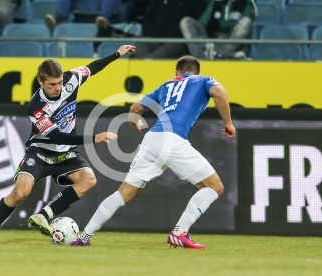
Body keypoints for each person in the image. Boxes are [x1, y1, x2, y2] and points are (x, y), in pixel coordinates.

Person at [0, 44, 136, 244]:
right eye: (52, 84)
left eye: (59, 82)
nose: (58, 88)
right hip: (40, 153)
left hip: (65, 154)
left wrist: (116, 54)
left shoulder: (72, 79)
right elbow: (57, 136)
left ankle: (44, 215)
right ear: (40, 82)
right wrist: (93, 138)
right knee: (19, 193)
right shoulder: (37, 108)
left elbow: (92, 68)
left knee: (89, 180)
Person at [71, 55, 236, 249]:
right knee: (214, 187)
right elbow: (219, 92)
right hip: (173, 140)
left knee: (123, 193)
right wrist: (228, 123)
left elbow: (134, 108)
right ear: (196, 72)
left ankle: (84, 236)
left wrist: (134, 123)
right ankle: (180, 232)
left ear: (177, 72)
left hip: (151, 140)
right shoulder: (202, 80)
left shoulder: (166, 85)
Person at [95, 0, 207, 59]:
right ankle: (143, 63)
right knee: (141, 42)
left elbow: (195, 24)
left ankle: (146, 63)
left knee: (170, 47)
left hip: (179, 41)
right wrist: (155, 34)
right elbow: (147, 21)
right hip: (156, 37)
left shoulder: (195, 1)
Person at [180, 0, 257, 60]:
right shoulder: (216, 1)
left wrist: (219, 24)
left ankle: (223, 55)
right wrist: (213, 24)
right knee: (186, 21)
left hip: (231, 41)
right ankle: (199, 58)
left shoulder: (248, 2)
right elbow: (203, 22)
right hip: (211, 39)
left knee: (246, 21)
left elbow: (247, 22)